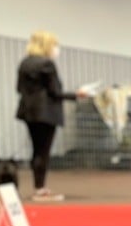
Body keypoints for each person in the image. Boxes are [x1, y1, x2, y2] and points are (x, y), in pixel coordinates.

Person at [15, 31, 85, 202]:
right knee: (44, 151)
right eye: (54, 45)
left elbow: (18, 88)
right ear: (47, 46)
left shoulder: (24, 63)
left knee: (36, 150)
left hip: (28, 111)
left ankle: (38, 187)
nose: (56, 49)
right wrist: (77, 95)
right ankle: (41, 190)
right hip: (46, 112)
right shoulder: (47, 64)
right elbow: (55, 92)